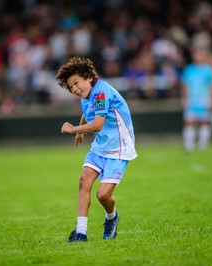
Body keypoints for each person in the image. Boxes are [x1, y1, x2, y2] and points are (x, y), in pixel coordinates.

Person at [56, 56, 137, 243]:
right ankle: (81, 233)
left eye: (76, 83)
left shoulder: (101, 92)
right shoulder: (87, 95)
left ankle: (112, 217)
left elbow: (98, 124)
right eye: (71, 87)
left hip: (119, 149)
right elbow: (88, 112)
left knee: (103, 195)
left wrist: (73, 129)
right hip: (100, 147)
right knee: (84, 180)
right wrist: (80, 132)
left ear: (88, 77)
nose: (75, 89)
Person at [181, 48, 212, 152]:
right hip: (192, 100)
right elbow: (185, 85)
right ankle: (189, 146)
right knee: (189, 122)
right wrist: (184, 99)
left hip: (204, 99)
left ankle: (203, 146)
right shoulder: (188, 69)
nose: (197, 57)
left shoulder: (209, 70)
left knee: (204, 122)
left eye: (199, 55)